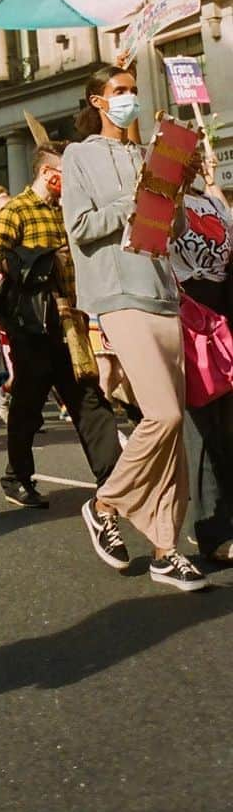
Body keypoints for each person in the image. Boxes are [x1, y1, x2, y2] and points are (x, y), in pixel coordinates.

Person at [62, 64, 208, 592]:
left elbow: (178, 230)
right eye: (118, 92)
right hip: (116, 294)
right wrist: (135, 200)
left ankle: (166, 550)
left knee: (172, 433)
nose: (130, 100)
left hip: (163, 292)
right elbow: (80, 227)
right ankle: (104, 504)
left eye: (132, 91)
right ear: (98, 101)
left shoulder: (151, 153)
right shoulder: (79, 155)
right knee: (164, 417)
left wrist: (178, 189)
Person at [0, 144, 122, 510]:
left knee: (88, 396)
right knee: (29, 403)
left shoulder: (71, 209)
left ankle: (112, 478)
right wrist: (46, 261)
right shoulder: (17, 209)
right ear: (48, 173)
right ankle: (17, 477)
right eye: (66, 172)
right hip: (34, 322)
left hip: (71, 317)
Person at [169, 155, 233, 566]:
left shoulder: (215, 204)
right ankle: (211, 531)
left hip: (223, 318)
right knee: (203, 427)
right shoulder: (162, 202)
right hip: (185, 318)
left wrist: (215, 192)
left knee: (226, 427)